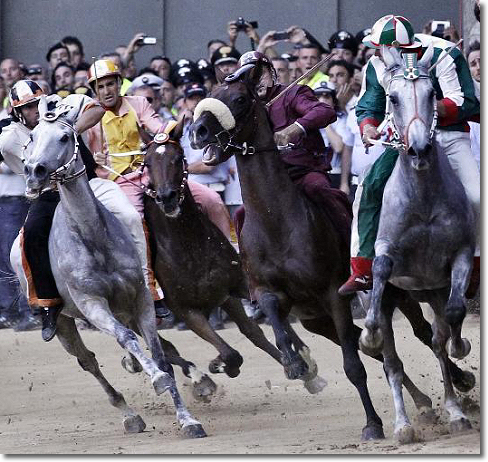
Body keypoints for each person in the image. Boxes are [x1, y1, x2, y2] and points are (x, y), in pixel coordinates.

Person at [338, 15, 480, 297]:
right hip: (401, 142)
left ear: (398, 47)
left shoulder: (444, 53)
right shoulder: (377, 63)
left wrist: (422, 108)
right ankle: (363, 267)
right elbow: (370, 104)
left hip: (449, 137)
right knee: (367, 190)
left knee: (477, 195)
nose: (376, 51)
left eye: (381, 46)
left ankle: (476, 265)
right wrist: (367, 128)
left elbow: (465, 99)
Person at [234, 51, 352, 246]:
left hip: (303, 173)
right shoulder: (246, 107)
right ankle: (246, 267)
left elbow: (325, 111)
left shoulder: (293, 93)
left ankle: (351, 253)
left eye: (259, 74)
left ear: (272, 73)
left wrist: (293, 129)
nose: (255, 81)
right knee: (241, 215)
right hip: (270, 182)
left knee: (320, 190)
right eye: (248, 77)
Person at [313, 80, 351, 194]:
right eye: (318, 96)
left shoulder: (341, 119)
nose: (322, 100)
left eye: (326, 96)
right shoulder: (307, 121)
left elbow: (339, 147)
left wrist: (325, 122)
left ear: (333, 101)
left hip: (334, 175)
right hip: (314, 174)